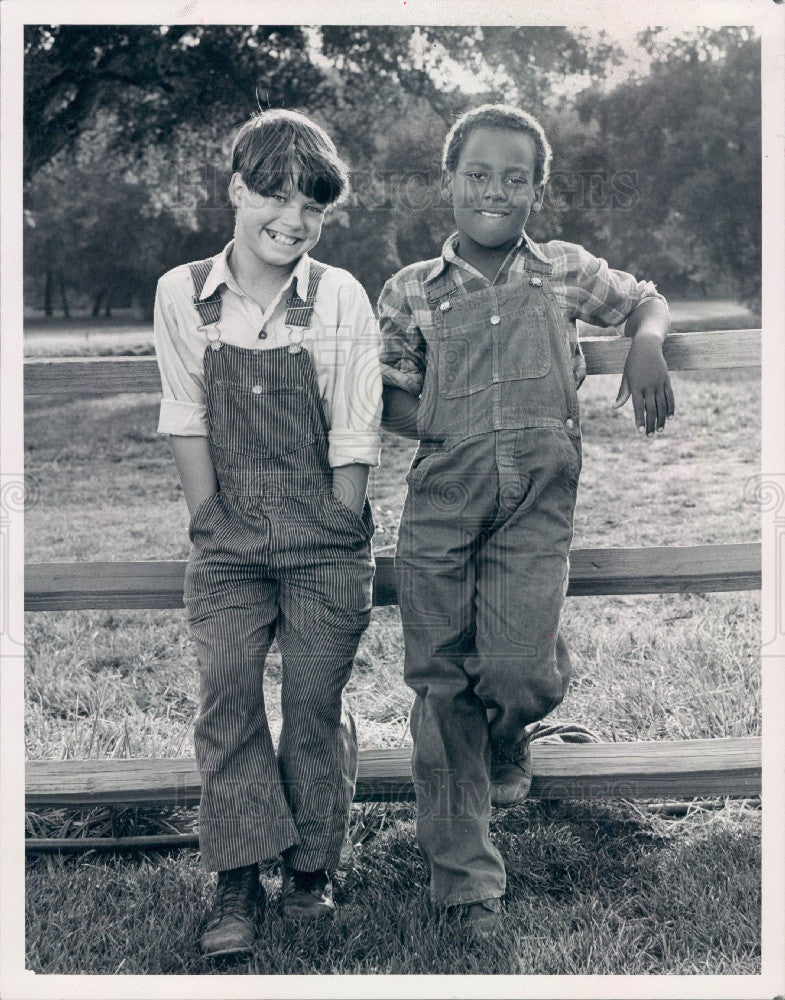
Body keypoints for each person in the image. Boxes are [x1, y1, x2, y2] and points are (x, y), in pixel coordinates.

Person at [378, 104, 674, 939]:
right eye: (478, 174)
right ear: (448, 181)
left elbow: (646, 298)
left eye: (515, 178)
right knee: (440, 691)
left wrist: (647, 341)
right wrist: (450, 423)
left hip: (535, 508)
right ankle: (465, 888)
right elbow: (389, 396)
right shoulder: (409, 290)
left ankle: (513, 732)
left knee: (516, 671)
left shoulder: (564, 271)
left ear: (538, 189)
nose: (495, 192)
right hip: (440, 504)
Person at [153, 109, 381, 957]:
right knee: (229, 693)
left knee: (314, 703)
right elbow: (184, 415)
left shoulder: (339, 295)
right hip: (229, 543)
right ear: (237, 190)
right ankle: (238, 879)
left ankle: (312, 872)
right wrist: (210, 517)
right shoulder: (184, 294)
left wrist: (339, 517)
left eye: (312, 208)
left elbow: (356, 427)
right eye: (275, 198)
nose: (292, 221)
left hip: (324, 535)